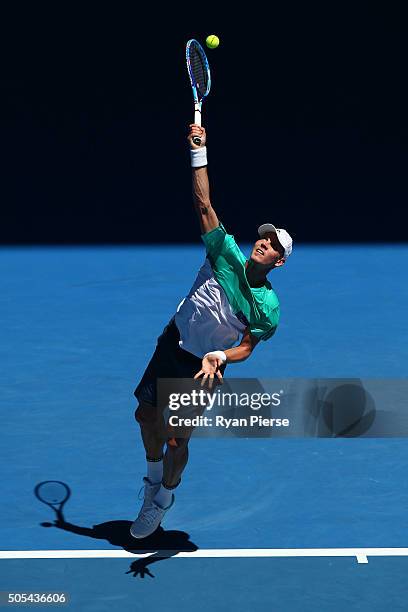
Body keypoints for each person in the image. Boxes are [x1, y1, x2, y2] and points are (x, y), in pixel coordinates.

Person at [130, 123, 293, 539]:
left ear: (278, 262)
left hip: (203, 370)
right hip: (173, 343)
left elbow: (247, 347)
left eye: (273, 245)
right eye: (264, 237)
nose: (264, 243)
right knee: (145, 415)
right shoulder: (224, 252)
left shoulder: (267, 308)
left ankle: (164, 498)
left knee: (176, 442)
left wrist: (221, 356)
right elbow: (204, 204)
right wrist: (198, 152)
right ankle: (151, 482)